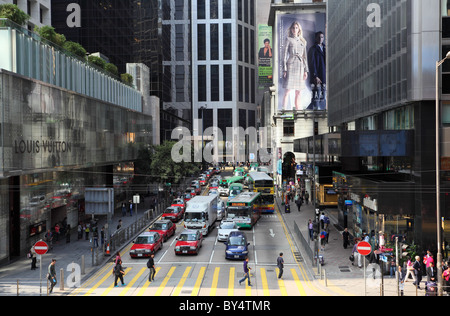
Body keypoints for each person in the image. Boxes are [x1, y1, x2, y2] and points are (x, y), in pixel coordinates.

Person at [281, 21, 309, 111]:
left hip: (300, 67)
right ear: (291, 29)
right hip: (291, 66)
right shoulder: (288, 39)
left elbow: (305, 57)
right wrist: (284, 69)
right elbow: (284, 55)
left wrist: (306, 70)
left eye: (296, 28)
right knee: (287, 91)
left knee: (299, 92)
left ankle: (298, 111)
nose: (295, 29)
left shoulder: (303, 41)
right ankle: (283, 110)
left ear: (299, 29)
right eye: (293, 28)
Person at [307, 31, 326, 110]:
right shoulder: (313, 49)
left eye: (322, 37)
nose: (320, 39)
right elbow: (312, 64)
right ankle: (314, 112)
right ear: (315, 38)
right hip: (317, 76)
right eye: (319, 37)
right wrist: (315, 76)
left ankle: (321, 112)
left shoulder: (325, 48)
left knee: (323, 95)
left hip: (324, 75)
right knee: (316, 96)